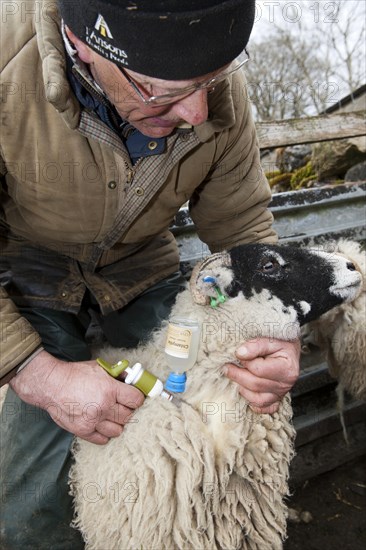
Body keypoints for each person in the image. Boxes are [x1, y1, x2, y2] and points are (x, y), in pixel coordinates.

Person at [0, 0, 300, 547]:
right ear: (84, 43)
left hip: (141, 266)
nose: (196, 113)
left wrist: (274, 327)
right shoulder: (6, 62)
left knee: (217, 410)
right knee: (30, 493)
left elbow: (243, 223)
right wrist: (40, 377)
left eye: (212, 80)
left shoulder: (212, 98)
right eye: (161, 92)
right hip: (28, 270)